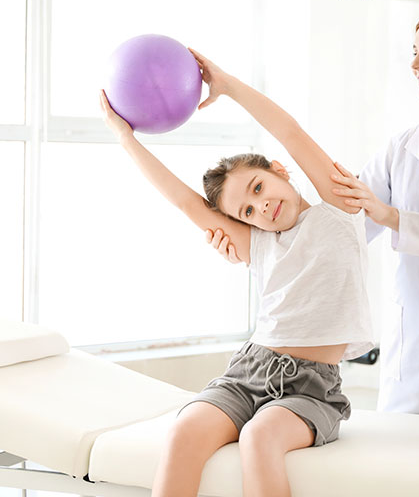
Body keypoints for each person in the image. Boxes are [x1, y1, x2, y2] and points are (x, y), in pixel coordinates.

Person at [207, 4, 419, 423]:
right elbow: (336, 232)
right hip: (414, 358)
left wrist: (392, 217)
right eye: (414, 51)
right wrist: (254, 246)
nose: (415, 63)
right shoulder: (400, 150)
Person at [99, 49, 374, 497]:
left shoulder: (340, 211)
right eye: (248, 210)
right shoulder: (259, 244)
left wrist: (226, 86)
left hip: (310, 387)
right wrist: (126, 138)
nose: (261, 205)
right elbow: (185, 202)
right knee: (184, 431)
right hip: (248, 373)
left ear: (281, 171)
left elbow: (290, 131)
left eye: (259, 187)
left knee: (260, 437)